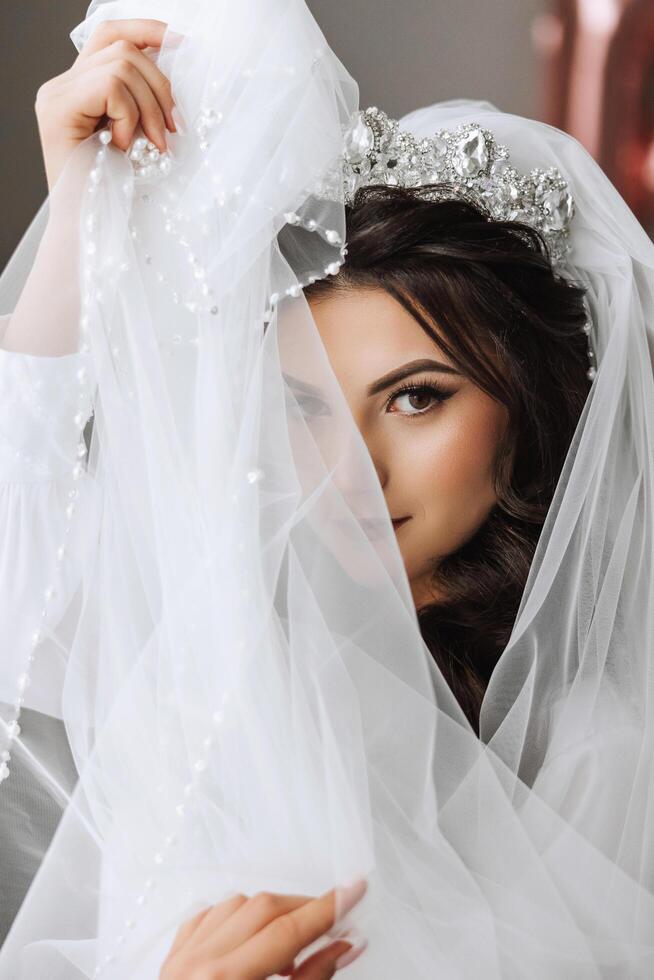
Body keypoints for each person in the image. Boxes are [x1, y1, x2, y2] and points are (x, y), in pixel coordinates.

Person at [0, 0, 652, 976]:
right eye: (304, 405)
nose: (347, 468)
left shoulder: (601, 749)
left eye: (417, 398)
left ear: (524, 412)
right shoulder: (207, 671)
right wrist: (75, 218)